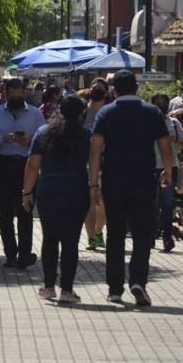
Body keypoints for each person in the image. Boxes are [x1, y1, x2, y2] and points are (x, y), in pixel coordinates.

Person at [89, 69, 173, 306]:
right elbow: (165, 147)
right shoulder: (152, 112)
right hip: (144, 182)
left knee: (115, 234)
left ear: (114, 90)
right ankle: (138, 281)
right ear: (137, 88)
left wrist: (93, 182)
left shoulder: (106, 113)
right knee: (142, 235)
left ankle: (115, 289)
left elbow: (95, 150)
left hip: (114, 183)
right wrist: (168, 171)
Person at [23, 96, 91, 303]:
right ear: (82, 114)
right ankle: (68, 290)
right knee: (71, 241)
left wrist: (26, 192)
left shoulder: (43, 133)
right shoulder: (87, 135)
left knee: (50, 238)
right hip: (77, 189)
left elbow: (33, 165)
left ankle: (48, 285)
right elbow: (96, 162)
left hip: (48, 189)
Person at [0, 78, 46, 269]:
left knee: (26, 210)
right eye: (12, 97)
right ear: (5, 95)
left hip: (28, 165)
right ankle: (10, 253)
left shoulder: (35, 114)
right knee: (5, 212)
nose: (15, 100)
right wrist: (2, 139)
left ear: (25, 94)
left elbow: (45, 138)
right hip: (3, 164)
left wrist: (30, 142)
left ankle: (25, 254)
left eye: (19, 96)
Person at [150, 93, 183, 252]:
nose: (161, 105)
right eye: (157, 103)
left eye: (163, 103)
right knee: (152, 204)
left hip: (170, 166)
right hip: (151, 167)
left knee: (165, 204)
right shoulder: (146, 123)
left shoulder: (174, 122)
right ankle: (150, 237)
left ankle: (167, 237)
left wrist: (173, 140)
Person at [79, 82, 108, 251]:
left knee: (102, 203)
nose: (96, 91)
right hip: (84, 163)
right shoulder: (83, 112)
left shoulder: (108, 113)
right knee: (89, 202)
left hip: (104, 163)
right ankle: (91, 237)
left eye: (100, 89)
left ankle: (98, 231)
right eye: (94, 88)